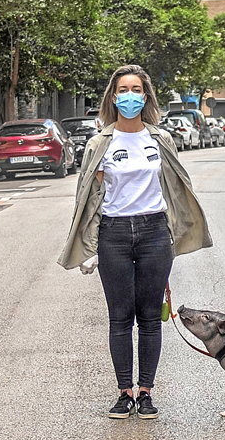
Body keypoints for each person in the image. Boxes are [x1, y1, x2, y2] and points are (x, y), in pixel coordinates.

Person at [58, 64, 212, 420]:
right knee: (119, 318)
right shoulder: (99, 143)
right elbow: (87, 197)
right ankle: (123, 392)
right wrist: (89, 244)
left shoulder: (160, 140)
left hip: (154, 233)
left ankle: (146, 393)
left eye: (136, 90)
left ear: (146, 96)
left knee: (150, 318)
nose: (129, 96)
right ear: (114, 97)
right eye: (123, 89)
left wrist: (177, 230)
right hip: (113, 234)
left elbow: (177, 188)